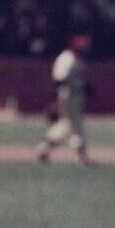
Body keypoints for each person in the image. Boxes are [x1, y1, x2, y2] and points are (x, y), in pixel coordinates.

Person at [36, 32, 93, 164]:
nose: (82, 47)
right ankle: (81, 156)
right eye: (80, 45)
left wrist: (84, 87)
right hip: (69, 96)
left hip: (73, 95)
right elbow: (59, 79)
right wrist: (55, 100)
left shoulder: (75, 58)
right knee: (76, 125)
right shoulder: (66, 58)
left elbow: (74, 79)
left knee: (64, 125)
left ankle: (44, 149)